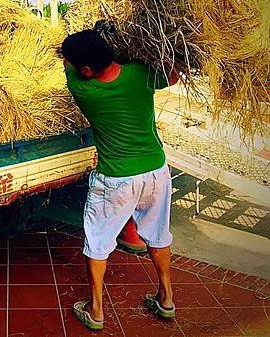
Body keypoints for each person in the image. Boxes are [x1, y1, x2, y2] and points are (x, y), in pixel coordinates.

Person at [61, 27, 178, 331]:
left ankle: (96, 310)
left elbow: (70, 69)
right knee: (159, 234)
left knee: (98, 241)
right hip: (156, 171)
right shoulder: (141, 73)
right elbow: (175, 75)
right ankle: (166, 299)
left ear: (85, 70)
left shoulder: (84, 90)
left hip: (116, 180)